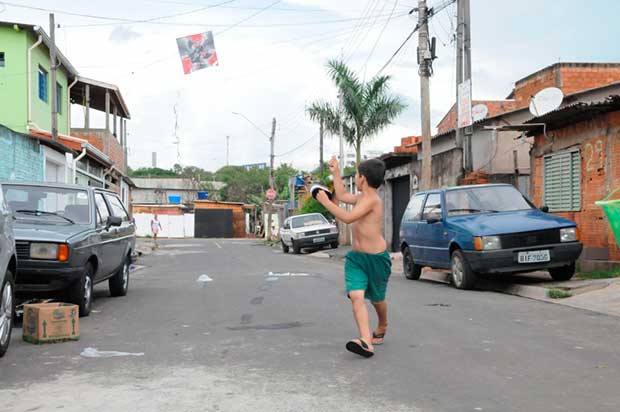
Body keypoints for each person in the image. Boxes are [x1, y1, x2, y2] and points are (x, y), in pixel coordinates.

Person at [315, 156, 391, 358]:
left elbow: (348, 218)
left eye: (356, 175)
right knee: (356, 295)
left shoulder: (373, 200)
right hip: (356, 259)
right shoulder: (360, 198)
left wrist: (324, 202)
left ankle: (383, 324)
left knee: (377, 298)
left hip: (377, 259)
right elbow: (340, 194)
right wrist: (336, 171)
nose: (355, 178)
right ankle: (366, 341)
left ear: (363, 179)